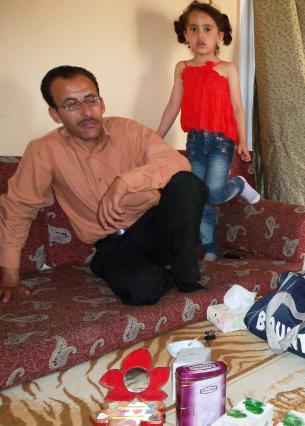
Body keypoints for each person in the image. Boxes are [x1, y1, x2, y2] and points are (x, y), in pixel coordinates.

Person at [0, 65, 208, 306]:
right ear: (55, 114)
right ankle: (159, 269)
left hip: (157, 225)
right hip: (115, 245)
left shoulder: (128, 130)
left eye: (91, 100)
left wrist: (124, 182)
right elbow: (17, 209)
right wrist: (10, 280)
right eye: (71, 104)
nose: (86, 111)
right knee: (142, 291)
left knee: (187, 183)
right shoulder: (43, 151)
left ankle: (186, 277)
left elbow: (177, 162)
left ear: (102, 103)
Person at [157, 1, 260, 263]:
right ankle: (210, 246)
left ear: (219, 36)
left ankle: (238, 184)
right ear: (185, 35)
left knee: (213, 192)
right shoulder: (182, 68)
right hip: (195, 141)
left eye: (207, 29)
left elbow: (237, 108)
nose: (200, 35)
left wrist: (243, 140)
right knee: (198, 195)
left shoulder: (227, 69)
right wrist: (156, 138)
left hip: (221, 142)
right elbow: (173, 105)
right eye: (193, 29)